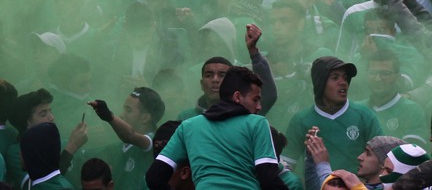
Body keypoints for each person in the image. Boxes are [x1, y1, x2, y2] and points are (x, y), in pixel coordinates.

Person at [146, 66, 285, 190]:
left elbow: (154, 178)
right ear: (237, 97)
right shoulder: (257, 123)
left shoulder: (188, 126)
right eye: (255, 99)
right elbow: (269, 179)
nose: (259, 106)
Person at [284, 57, 381, 188]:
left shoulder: (364, 115)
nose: (343, 82)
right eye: (335, 78)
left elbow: (382, 160)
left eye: (345, 77)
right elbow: (287, 166)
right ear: (320, 83)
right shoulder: (301, 121)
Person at [87, 89, 164, 190]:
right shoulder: (116, 148)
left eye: (128, 110)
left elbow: (130, 136)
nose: (122, 115)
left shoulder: (154, 142)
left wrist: (109, 116)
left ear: (145, 117)